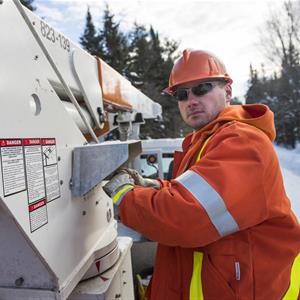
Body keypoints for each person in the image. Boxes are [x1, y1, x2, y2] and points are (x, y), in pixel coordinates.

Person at [103, 49, 300, 300]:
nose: (191, 100)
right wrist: (156, 186)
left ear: (227, 91)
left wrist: (125, 195)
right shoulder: (206, 142)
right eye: (182, 94)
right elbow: (192, 192)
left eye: (202, 88)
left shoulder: (243, 141)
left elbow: (186, 216)